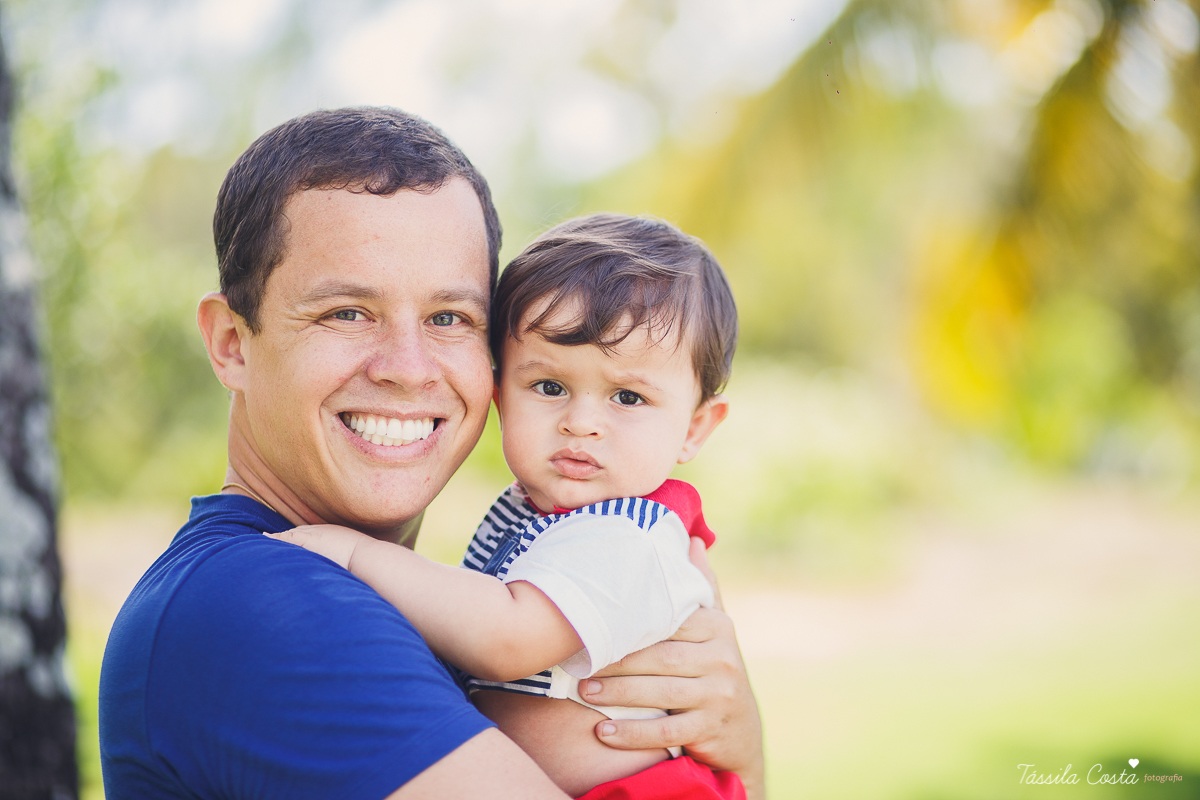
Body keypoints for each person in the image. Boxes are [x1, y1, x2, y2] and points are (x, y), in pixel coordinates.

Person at [97, 107, 764, 800]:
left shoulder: (391, 594)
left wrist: (736, 739)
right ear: (232, 343)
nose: (408, 369)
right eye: (346, 312)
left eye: (450, 318)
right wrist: (745, 758)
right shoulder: (264, 603)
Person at [269, 213, 745, 798]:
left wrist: (350, 552)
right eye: (549, 387)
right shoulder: (535, 512)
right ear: (500, 397)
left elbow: (506, 640)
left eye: (628, 396)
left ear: (695, 428)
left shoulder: (632, 537)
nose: (581, 423)